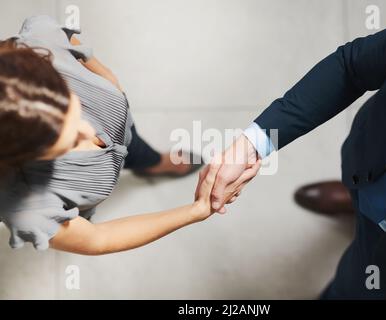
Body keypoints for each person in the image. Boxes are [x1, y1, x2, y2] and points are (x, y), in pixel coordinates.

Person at [199, 6, 386, 298]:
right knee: (366, 184)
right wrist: (252, 144)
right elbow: (352, 67)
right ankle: (357, 198)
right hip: (367, 161)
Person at [0, 15, 246, 255]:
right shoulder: (28, 210)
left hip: (123, 128)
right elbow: (99, 238)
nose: (92, 133)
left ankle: (154, 162)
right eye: (69, 141)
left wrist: (106, 75)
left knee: (137, 149)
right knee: (133, 148)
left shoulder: (37, 47)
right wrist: (196, 210)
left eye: (72, 107)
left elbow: (51, 31)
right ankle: (151, 162)